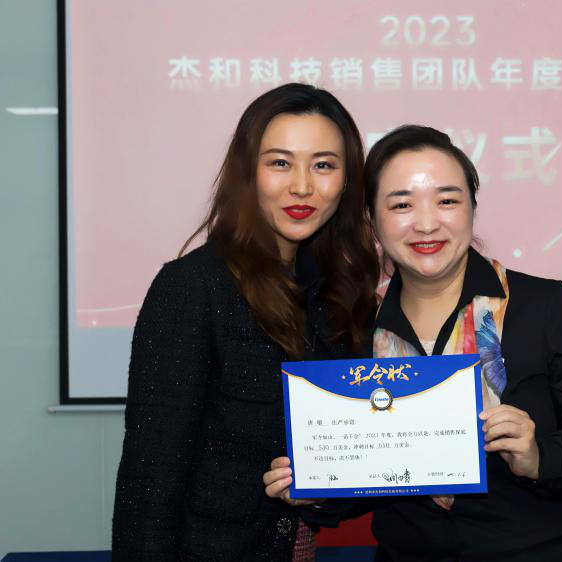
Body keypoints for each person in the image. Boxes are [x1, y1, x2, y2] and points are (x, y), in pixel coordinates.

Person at [264, 125, 562, 561]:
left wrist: (538, 456)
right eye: (401, 204)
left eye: (447, 200)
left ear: (472, 207)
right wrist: (317, 489)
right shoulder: (356, 326)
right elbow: (371, 479)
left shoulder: (541, 305)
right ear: (371, 220)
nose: (426, 223)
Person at [111, 83, 379, 562]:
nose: (302, 186)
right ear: (247, 172)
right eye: (280, 163)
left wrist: (320, 491)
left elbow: (347, 463)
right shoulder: (193, 287)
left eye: (323, 165)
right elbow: (150, 476)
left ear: (347, 181)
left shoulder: (338, 295)